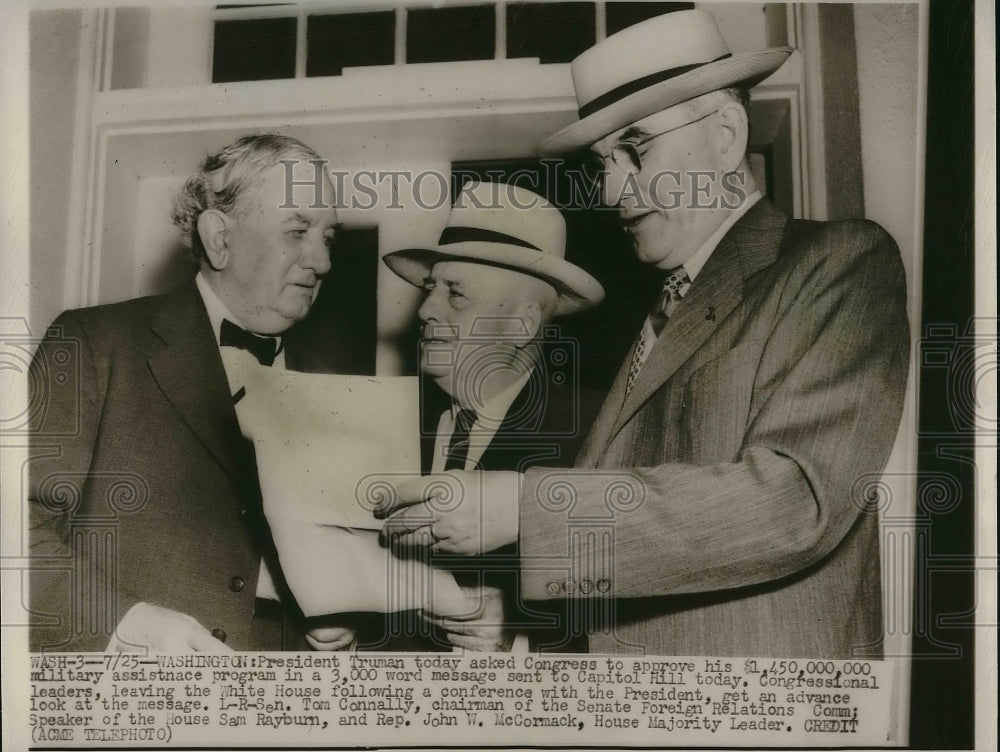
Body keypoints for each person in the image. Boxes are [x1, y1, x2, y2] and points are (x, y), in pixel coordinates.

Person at [381, 10, 910, 659]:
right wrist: (515, 630)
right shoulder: (658, 314)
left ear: (725, 134)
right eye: (602, 161)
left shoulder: (838, 261)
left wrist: (522, 507)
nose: (610, 188)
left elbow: (797, 499)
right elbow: (631, 550)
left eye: (636, 149)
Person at [28, 133, 345, 652]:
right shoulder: (92, 344)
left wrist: (345, 621)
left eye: (328, 237)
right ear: (220, 238)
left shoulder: (333, 385)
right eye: (297, 231)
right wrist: (125, 623)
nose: (323, 261)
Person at [382, 181, 604, 651]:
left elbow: (635, 607)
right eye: (430, 288)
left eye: (455, 293)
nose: (425, 309)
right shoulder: (388, 422)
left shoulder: (598, 432)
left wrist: (525, 632)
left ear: (523, 323)